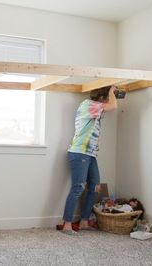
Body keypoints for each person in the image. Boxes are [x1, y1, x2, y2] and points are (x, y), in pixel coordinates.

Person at [61, 85, 118, 235]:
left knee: (95, 187)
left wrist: (110, 93)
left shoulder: (94, 107)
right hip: (79, 152)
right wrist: (111, 91)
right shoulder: (88, 104)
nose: (106, 102)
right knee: (78, 187)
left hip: (90, 153)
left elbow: (109, 106)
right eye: (106, 98)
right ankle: (67, 223)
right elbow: (113, 106)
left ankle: (84, 221)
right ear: (101, 98)